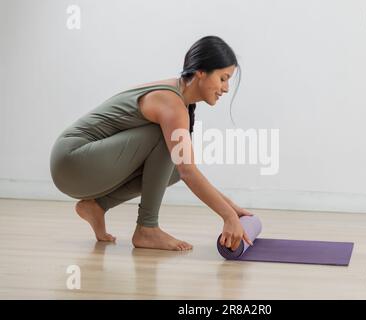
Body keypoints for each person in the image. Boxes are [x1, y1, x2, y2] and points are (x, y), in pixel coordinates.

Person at [49, 35, 254, 252]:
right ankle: (147, 228)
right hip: (72, 160)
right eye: (223, 78)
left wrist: (230, 206)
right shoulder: (172, 104)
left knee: (172, 167)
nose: (226, 88)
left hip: (80, 165)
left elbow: (184, 169)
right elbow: (189, 172)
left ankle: (98, 206)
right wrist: (228, 215)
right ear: (201, 72)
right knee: (166, 142)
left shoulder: (178, 98)